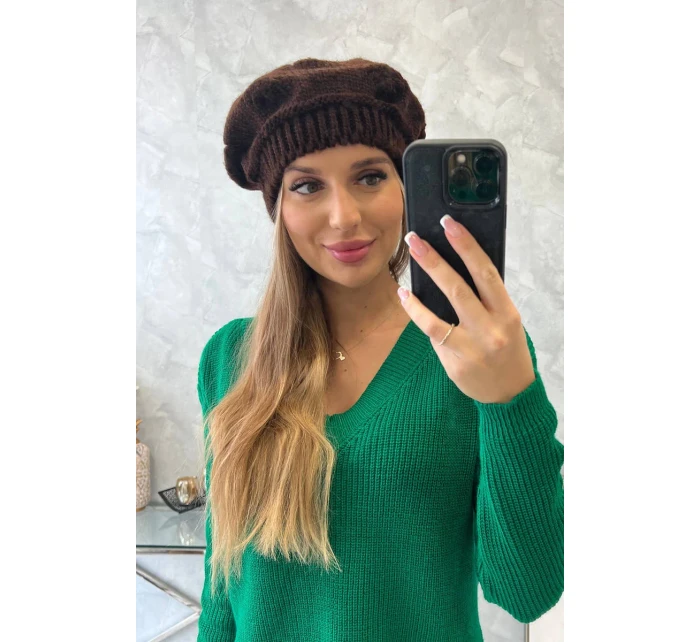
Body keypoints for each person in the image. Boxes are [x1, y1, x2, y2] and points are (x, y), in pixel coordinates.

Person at [196, 57, 564, 642]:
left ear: (406, 190)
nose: (344, 216)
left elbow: (526, 591)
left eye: (370, 177)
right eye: (307, 185)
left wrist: (511, 401)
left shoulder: (477, 356)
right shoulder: (229, 358)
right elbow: (223, 586)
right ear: (279, 208)